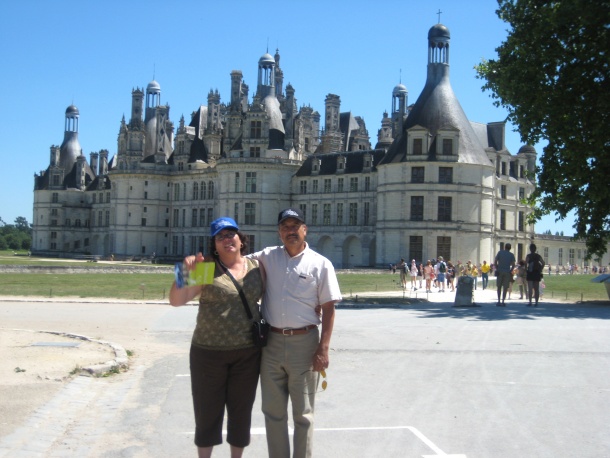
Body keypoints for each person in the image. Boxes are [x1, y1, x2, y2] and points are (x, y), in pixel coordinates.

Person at [249, 208, 342, 458]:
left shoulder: (320, 264)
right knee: (273, 413)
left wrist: (323, 348)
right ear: (279, 232)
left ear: (305, 229)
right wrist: (190, 273)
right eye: (285, 227)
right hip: (271, 344)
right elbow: (233, 265)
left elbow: (329, 309)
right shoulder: (267, 256)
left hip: (305, 344)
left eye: (295, 226)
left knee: (303, 415)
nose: (290, 231)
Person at [169, 217, 264, 458]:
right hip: (207, 353)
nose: (226, 239)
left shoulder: (257, 267)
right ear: (215, 244)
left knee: (241, 412)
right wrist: (183, 274)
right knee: (206, 412)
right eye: (220, 236)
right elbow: (176, 301)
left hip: (247, 353)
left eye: (230, 234)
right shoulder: (205, 267)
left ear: (241, 240)